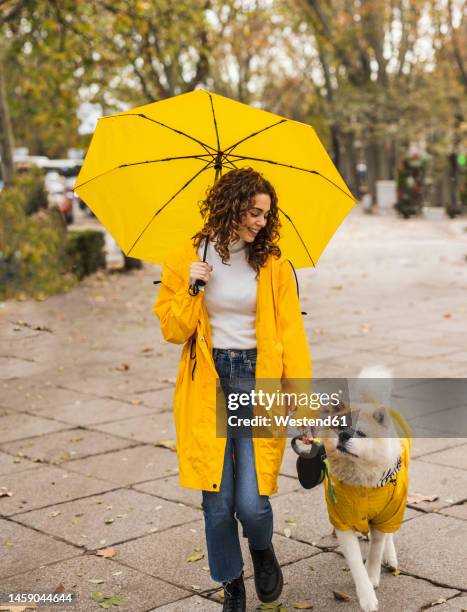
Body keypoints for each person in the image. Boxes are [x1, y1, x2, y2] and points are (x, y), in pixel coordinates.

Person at [153, 167, 312, 612]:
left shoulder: (274, 264)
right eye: (254, 211)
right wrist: (192, 287)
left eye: (266, 214)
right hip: (209, 378)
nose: (261, 221)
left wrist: (300, 405)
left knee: (252, 503)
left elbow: (292, 337)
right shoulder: (187, 255)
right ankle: (231, 584)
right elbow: (173, 329)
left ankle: (261, 549)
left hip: (254, 378)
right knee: (218, 502)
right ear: (231, 203)